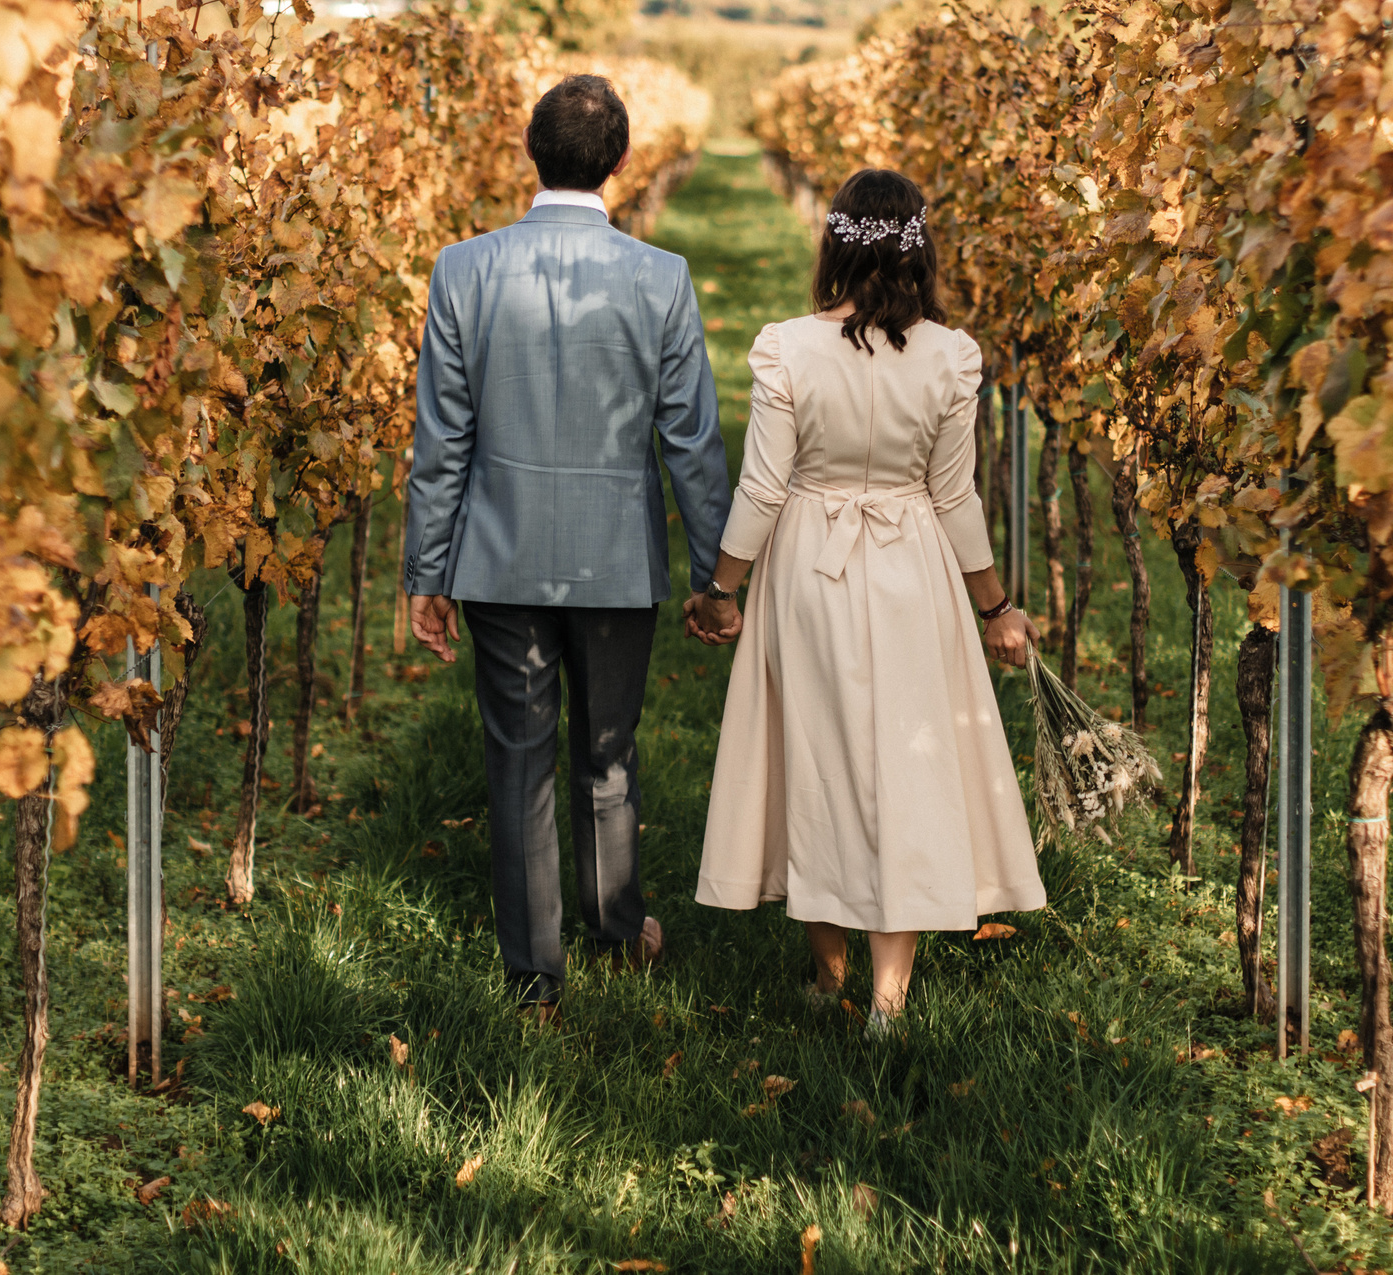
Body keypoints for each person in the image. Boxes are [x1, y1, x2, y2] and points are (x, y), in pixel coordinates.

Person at [402, 74, 737, 1022]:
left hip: (498, 559)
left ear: (528, 150)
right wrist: (715, 578)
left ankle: (533, 977)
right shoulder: (660, 277)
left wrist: (429, 572)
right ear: (624, 163)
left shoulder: (462, 269)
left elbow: (442, 442)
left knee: (518, 756)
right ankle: (617, 922)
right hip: (617, 561)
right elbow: (691, 443)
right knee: (608, 747)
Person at [690, 167, 1045, 1037]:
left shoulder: (787, 348)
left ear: (834, 246)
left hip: (811, 564)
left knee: (815, 753)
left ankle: (828, 971)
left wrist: (722, 589)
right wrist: (996, 606)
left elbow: (765, 486)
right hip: (912, 568)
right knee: (906, 763)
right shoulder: (950, 356)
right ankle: (890, 998)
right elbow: (955, 495)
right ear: (921, 249)